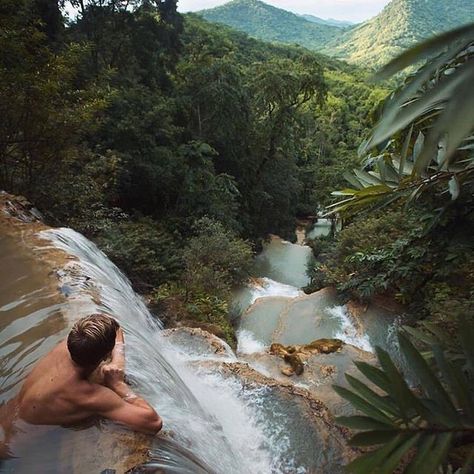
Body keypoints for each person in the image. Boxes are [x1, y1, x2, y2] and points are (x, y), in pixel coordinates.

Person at [0, 313, 162, 456]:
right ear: (106, 354)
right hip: (13, 446)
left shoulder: (69, 345)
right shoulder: (88, 395)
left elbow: (116, 327)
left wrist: (118, 359)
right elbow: (153, 423)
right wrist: (119, 385)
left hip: (5, 415)